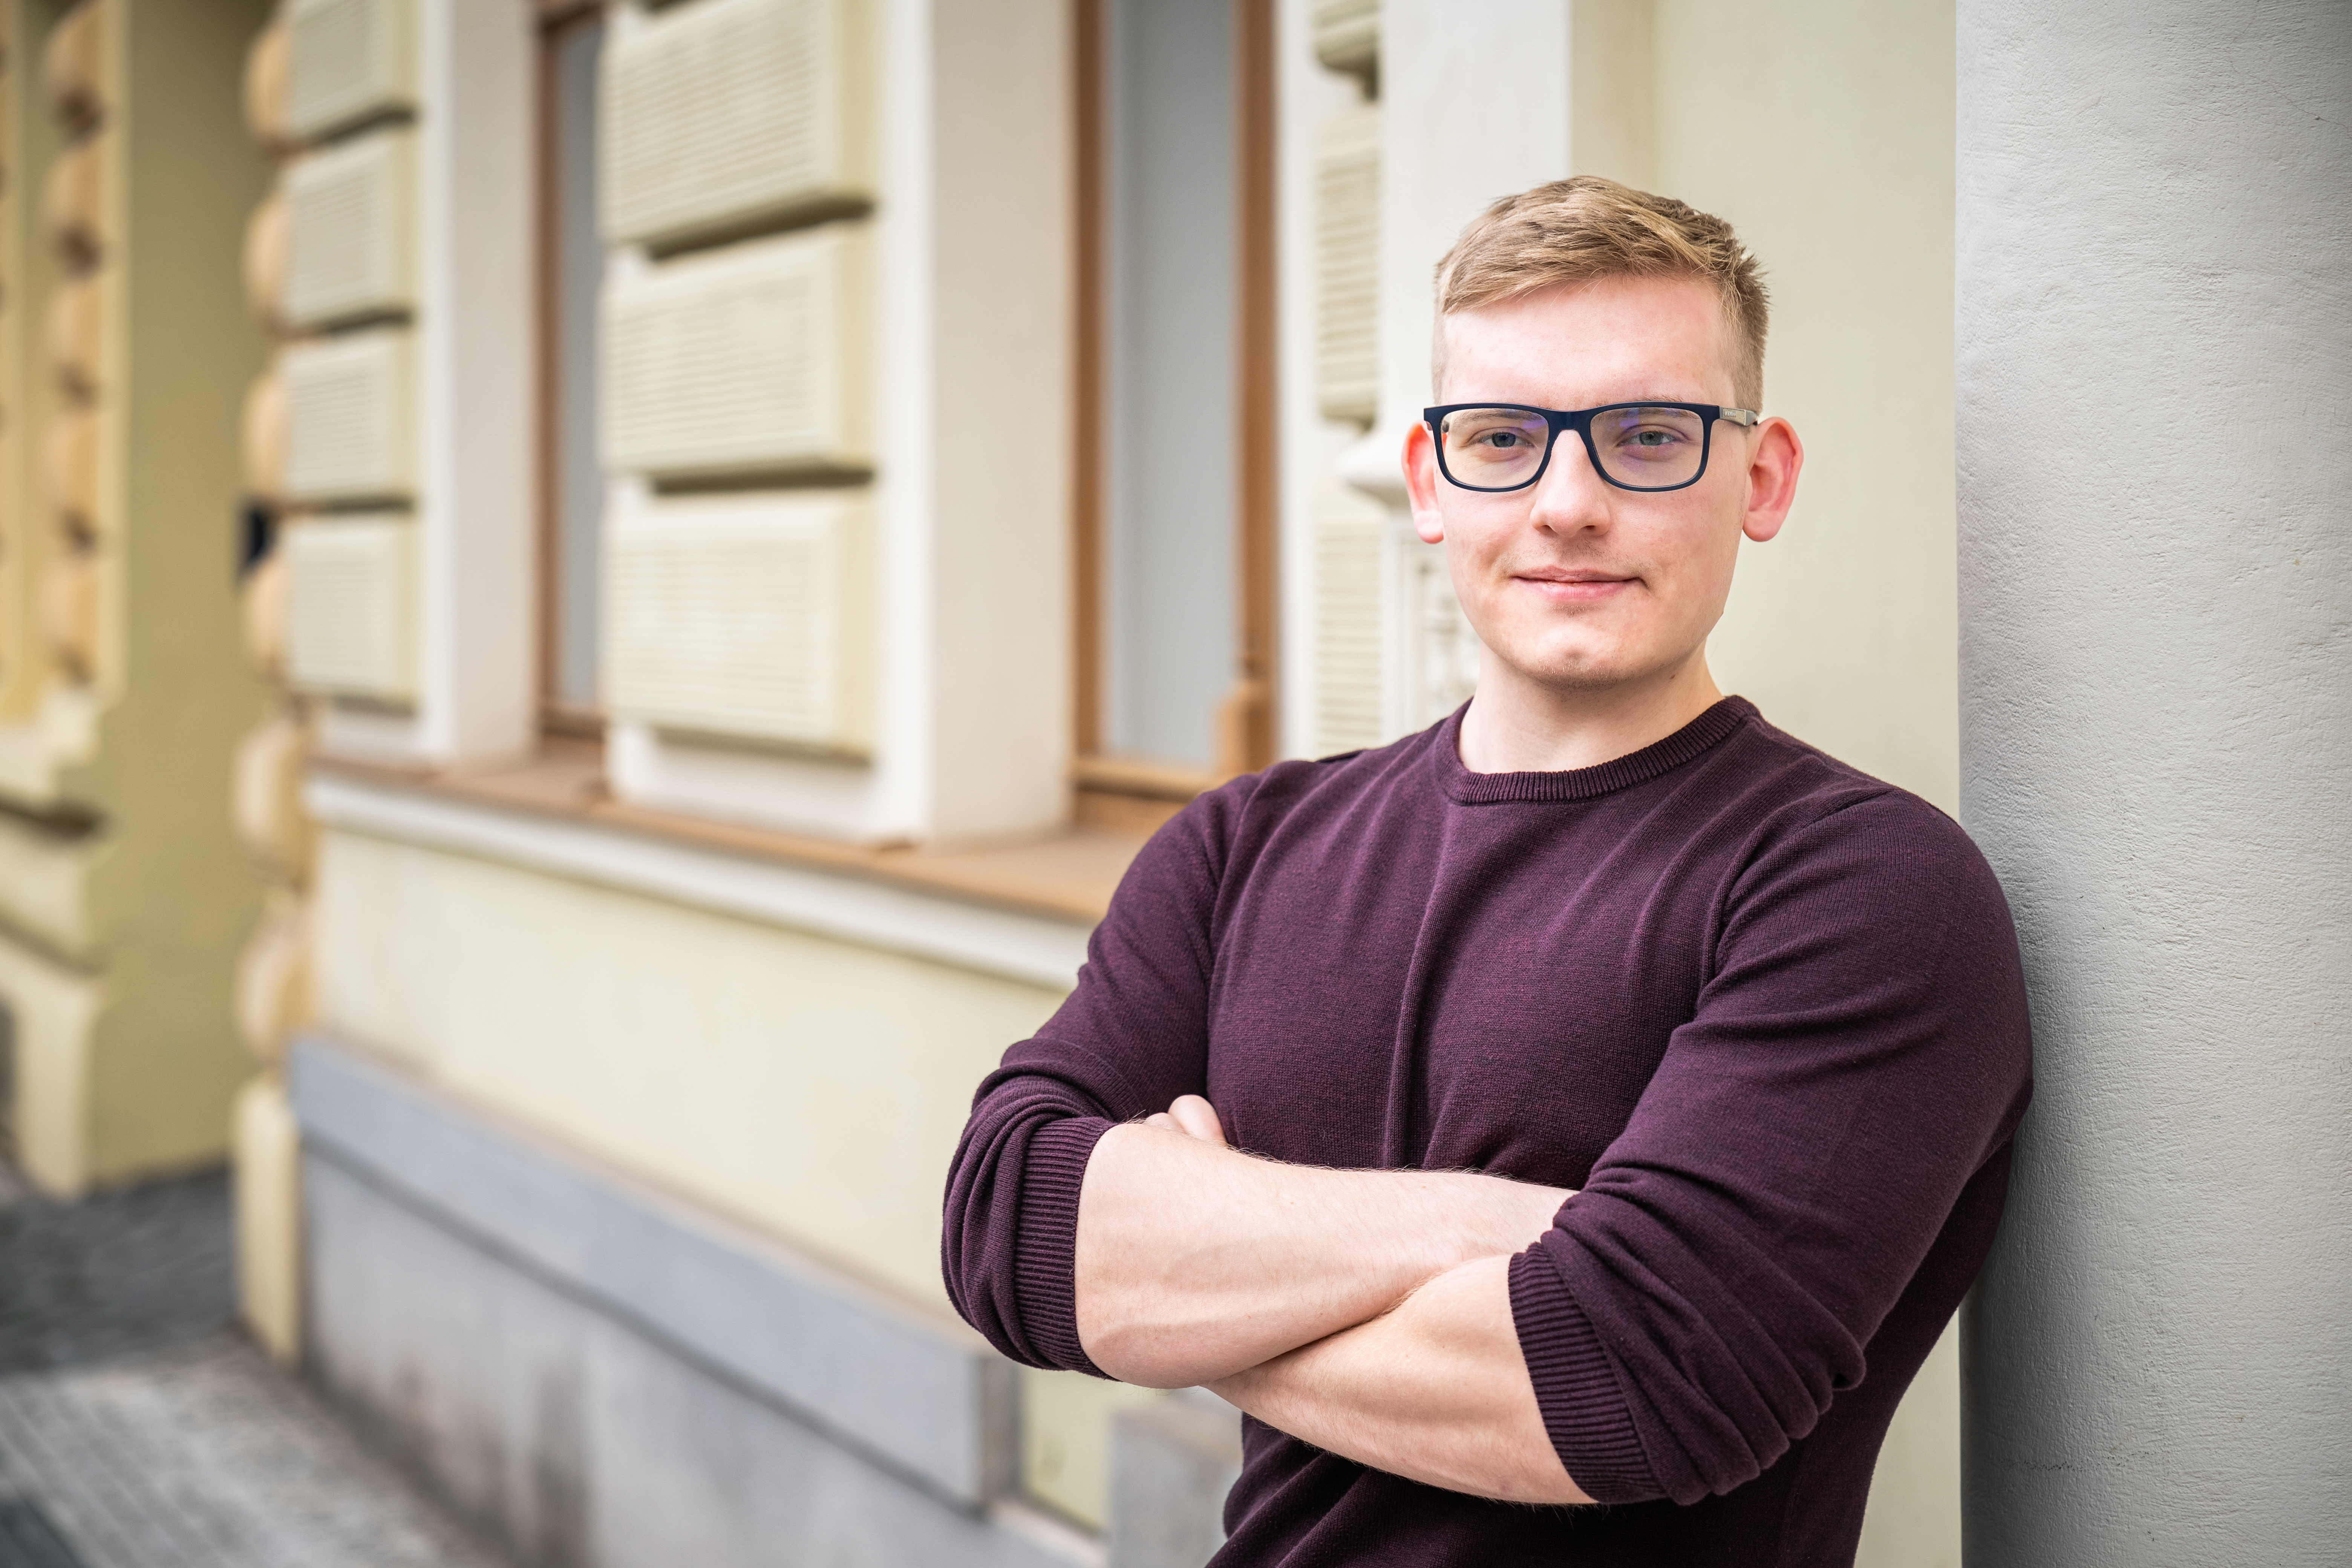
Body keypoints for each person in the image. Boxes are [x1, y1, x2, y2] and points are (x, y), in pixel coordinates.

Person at [942, 177, 2032, 1567]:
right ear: (1429, 484)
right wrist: (1493, 1231)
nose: (1568, 502)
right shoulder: (1241, 848)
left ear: (1759, 479)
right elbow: (1006, 1226)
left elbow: (1638, 1389)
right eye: (1506, 438)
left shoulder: (1862, 891)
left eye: (1648, 436)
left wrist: (1179, 1287)